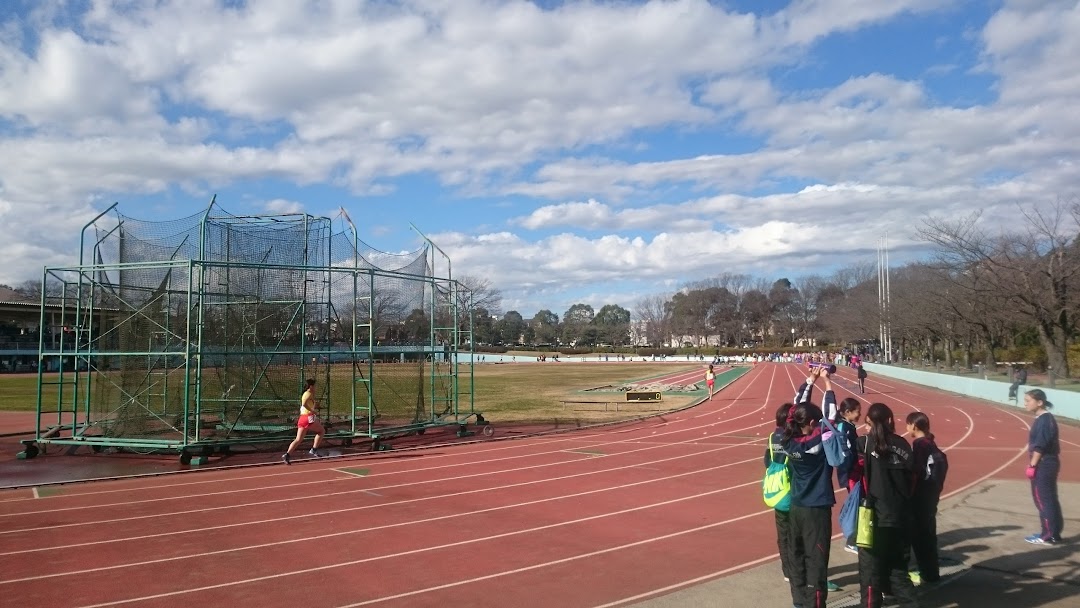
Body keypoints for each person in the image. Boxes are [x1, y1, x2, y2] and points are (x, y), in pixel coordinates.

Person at [856, 403, 918, 608]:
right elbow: (913, 478)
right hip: (901, 514)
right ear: (891, 421)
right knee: (898, 569)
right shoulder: (904, 445)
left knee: (870, 573)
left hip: (874, 517)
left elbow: (848, 467)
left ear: (870, 423)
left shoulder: (865, 443)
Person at [782, 381, 835, 608]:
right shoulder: (818, 442)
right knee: (816, 559)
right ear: (813, 424)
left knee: (797, 555)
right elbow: (831, 417)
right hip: (816, 508)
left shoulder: (787, 441)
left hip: (796, 506)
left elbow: (795, 410)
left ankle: (799, 602)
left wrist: (809, 382)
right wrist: (827, 383)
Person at [906, 411, 942, 584]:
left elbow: (916, 472)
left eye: (908, 424)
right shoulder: (931, 443)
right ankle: (931, 572)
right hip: (931, 496)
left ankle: (927, 573)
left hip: (920, 496)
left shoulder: (919, 445)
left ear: (914, 425)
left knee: (920, 537)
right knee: (928, 535)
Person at [1024, 389, 1063, 544]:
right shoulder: (1043, 419)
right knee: (1050, 498)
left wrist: (1032, 464)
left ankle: (1048, 534)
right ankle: (1053, 532)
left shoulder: (1045, 420)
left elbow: (1040, 445)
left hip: (1044, 463)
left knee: (1042, 499)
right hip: (1047, 463)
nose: (1025, 403)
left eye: (1028, 400)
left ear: (1039, 402)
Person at [766, 402, 797, 586]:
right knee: (796, 534)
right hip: (791, 490)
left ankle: (787, 570)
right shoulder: (792, 438)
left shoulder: (772, 437)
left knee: (783, 534)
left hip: (777, 491)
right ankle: (796, 570)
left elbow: (766, 461)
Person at [835, 397, 862, 554]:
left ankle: (855, 538)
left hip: (850, 472)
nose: (859, 414)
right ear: (847, 412)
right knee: (855, 505)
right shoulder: (844, 428)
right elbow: (846, 453)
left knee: (856, 503)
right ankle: (852, 540)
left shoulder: (847, 425)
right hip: (851, 473)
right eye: (857, 411)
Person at [282, 378, 326, 464]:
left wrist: (315, 407)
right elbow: (304, 404)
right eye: (315, 386)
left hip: (302, 418)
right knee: (321, 431)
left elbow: (306, 405)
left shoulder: (309, 394)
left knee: (298, 439)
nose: (316, 388)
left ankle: (287, 455)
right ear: (311, 386)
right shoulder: (308, 394)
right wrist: (312, 410)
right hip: (308, 417)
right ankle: (314, 450)